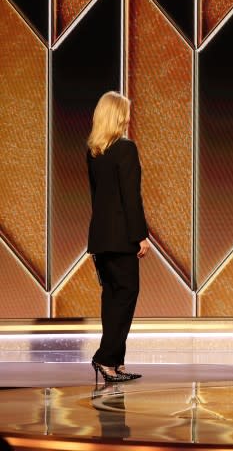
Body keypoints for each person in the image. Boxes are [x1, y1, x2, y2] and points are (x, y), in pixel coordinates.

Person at [87, 91, 150, 383]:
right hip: (121, 237)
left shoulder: (95, 151)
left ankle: (116, 363)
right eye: (125, 112)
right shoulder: (125, 148)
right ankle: (105, 358)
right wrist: (140, 236)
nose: (129, 117)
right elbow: (130, 198)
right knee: (125, 296)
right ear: (117, 116)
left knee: (113, 297)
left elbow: (97, 197)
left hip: (101, 237)